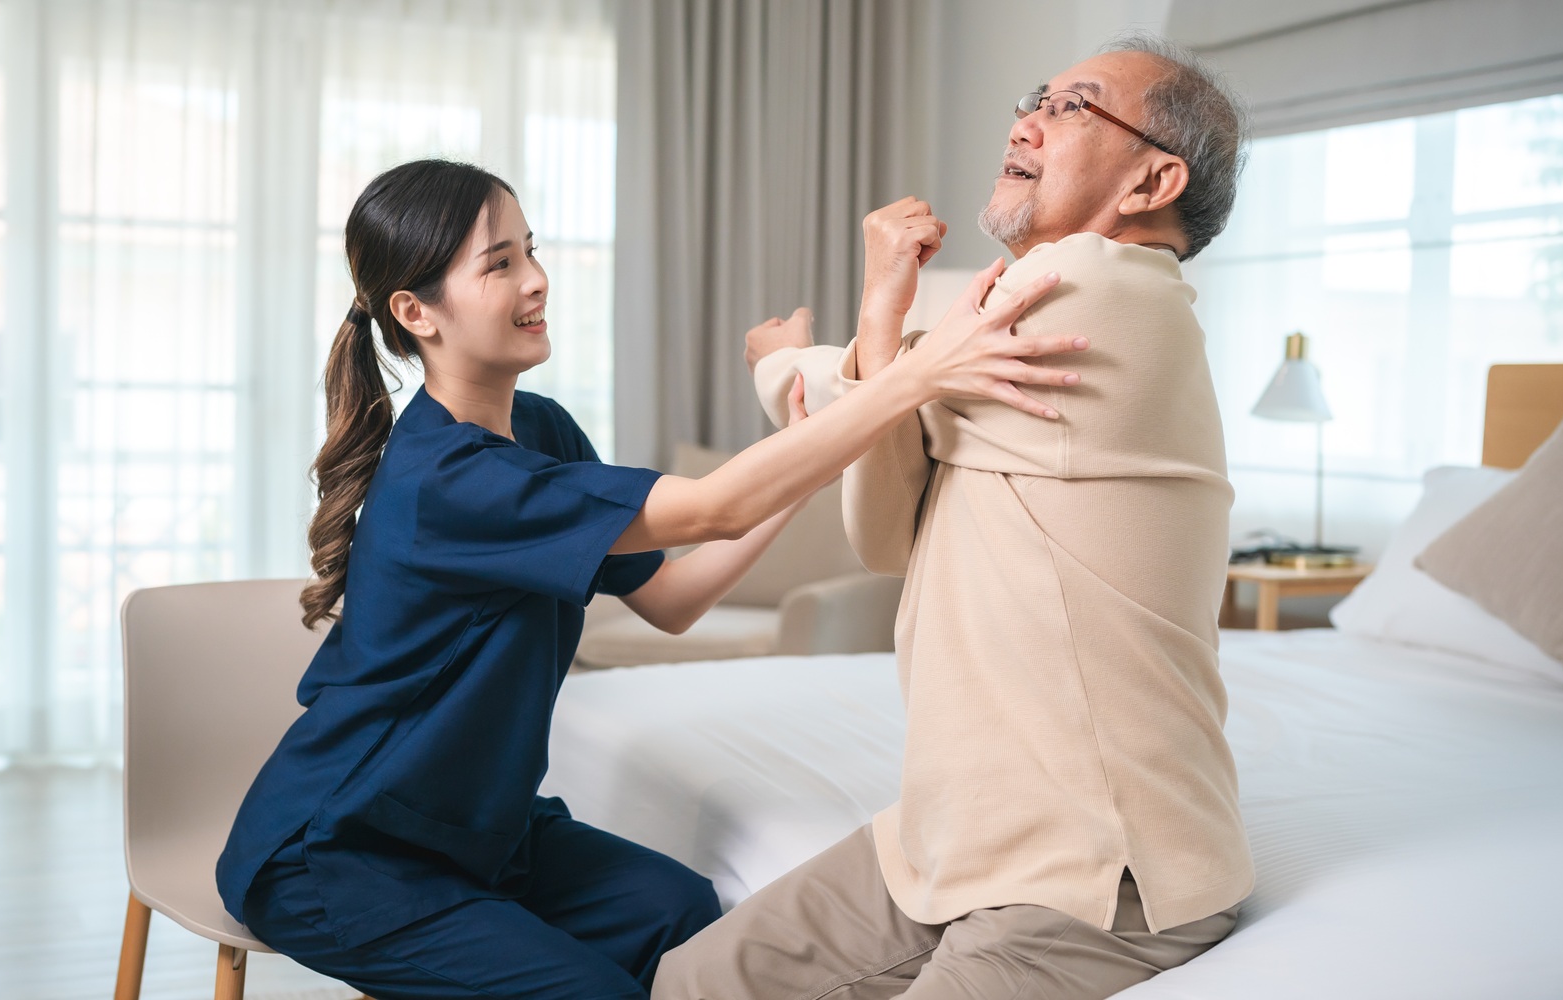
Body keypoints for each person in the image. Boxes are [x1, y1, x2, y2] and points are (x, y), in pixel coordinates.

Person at [212, 158, 1085, 1000]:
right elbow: (713, 506)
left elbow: (671, 600)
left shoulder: (540, 429)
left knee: (686, 917)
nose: (537, 280)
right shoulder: (447, 480)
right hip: (341, 851)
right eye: (500, 264)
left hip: (480, 833)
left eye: (533, 250)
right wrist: (913, 379)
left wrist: (808, 454)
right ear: (417, 312)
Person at [656, 34, 1253, 999]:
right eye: (1036, 98)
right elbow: (885, 536)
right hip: (953, 835)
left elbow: (828, 396)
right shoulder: (1030, 311)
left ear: (1153, 179)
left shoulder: (1097, 287)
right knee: (691, 984)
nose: (1024, 121)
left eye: (1072, 108)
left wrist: (780, 359)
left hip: (1099, 868)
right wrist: (885, 315)